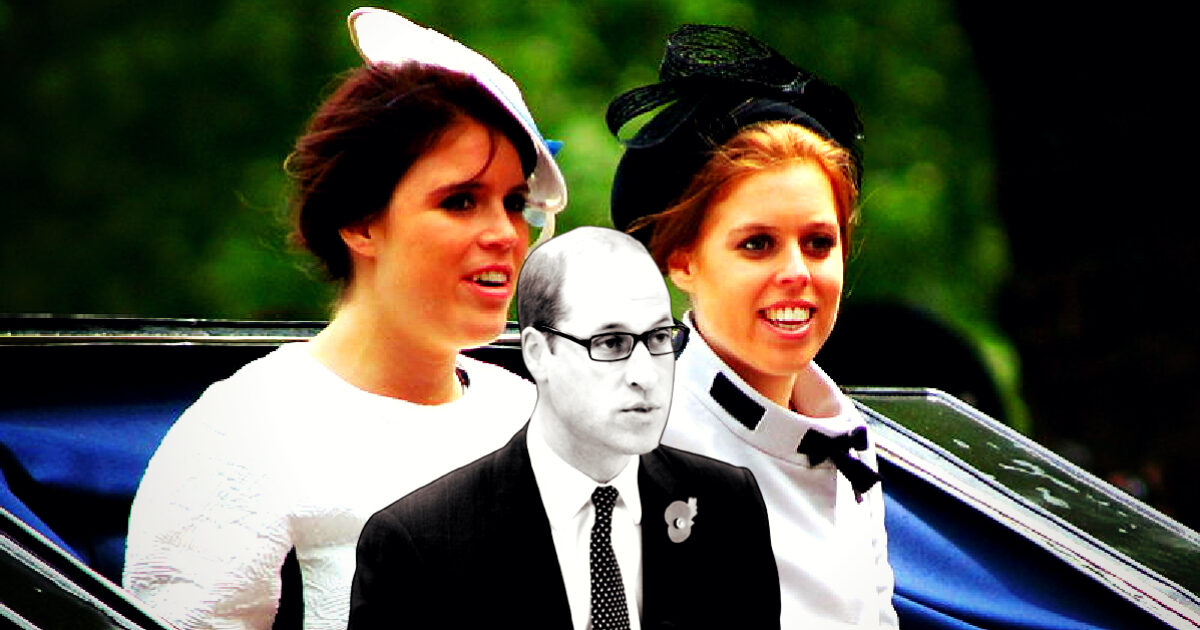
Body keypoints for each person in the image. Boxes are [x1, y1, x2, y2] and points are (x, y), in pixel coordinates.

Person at [122, 8, 566, 630]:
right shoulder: (245, 432)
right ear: (359, 221)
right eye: (460, 200)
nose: (503, 233)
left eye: (515, 202)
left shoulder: (534, 417)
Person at [607, 25, 899, 628]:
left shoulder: (848, 446)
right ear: (682, 259)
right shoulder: (629, 448)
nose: (797, 273)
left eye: (819, 243)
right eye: (758, 244)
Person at [347, 226, 780, 630]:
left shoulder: (727, 506)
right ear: (538, 353)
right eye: (611, 343)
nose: (645, 374)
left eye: (659, 338)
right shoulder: (418, 544)